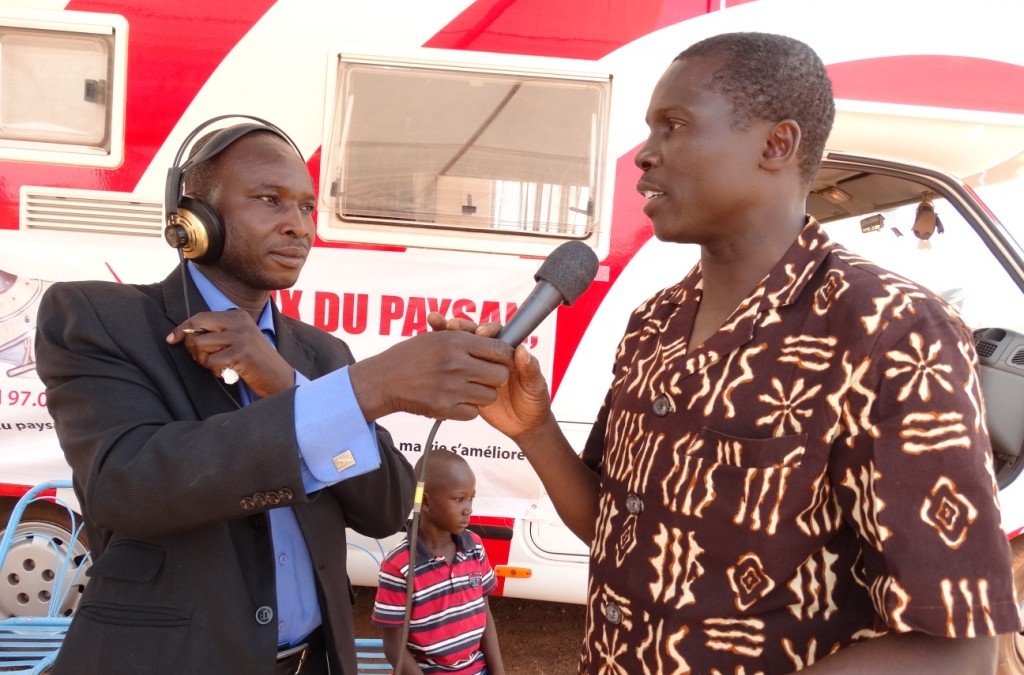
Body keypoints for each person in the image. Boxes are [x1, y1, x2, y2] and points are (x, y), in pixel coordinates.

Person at [471, 32, 1022, 673]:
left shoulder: (891, 331)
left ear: (775, 145)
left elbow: (958, 647)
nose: (644, 156)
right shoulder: (654, 323)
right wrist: (534, 430)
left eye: (675, 126)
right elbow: (616, 535)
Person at [33, 120, 513, 674]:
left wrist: (282, 382)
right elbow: (128, 486)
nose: (298, 227)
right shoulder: (101, 318)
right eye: (270, 200)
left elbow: (385, 508)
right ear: (193, 218)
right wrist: (371, 387)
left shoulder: (321, 354)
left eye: (307, 208)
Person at [372, 449, 505, 675]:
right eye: (459, 499)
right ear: (425, 501)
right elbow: (394, 646)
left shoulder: (475, 547)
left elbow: (485, 616)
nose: (468, 509)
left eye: (471, 498)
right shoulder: (399, 566)